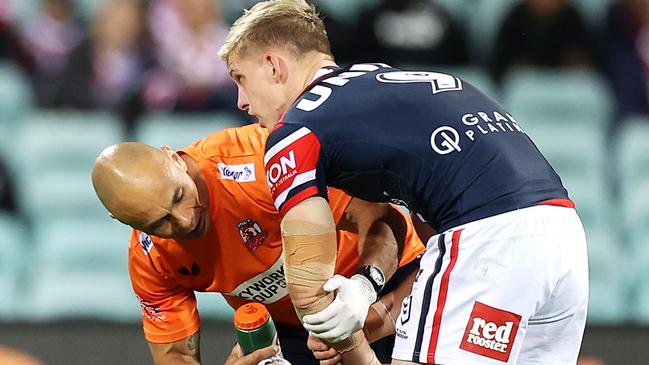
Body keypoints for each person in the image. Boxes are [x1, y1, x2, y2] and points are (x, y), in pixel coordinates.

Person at [217, 1, 589, 364]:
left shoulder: (296, 128)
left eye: (241, 79)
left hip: (487, 236)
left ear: (272, 65)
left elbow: (308, 275)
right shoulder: (378, 85)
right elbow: (426, 219)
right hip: (564, 235)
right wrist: (364, 289)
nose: (242, 102)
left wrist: (323, 320)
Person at [91, 124, 425, 365]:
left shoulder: (260, 162)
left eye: (179, 196)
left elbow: (384, 219)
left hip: (393, 282)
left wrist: (366, 298)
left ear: (173, 158)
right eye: (159, 224)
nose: (185, 221)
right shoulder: (151, 261)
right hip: (304, 333)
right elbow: (175, 356)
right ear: (124, 222)